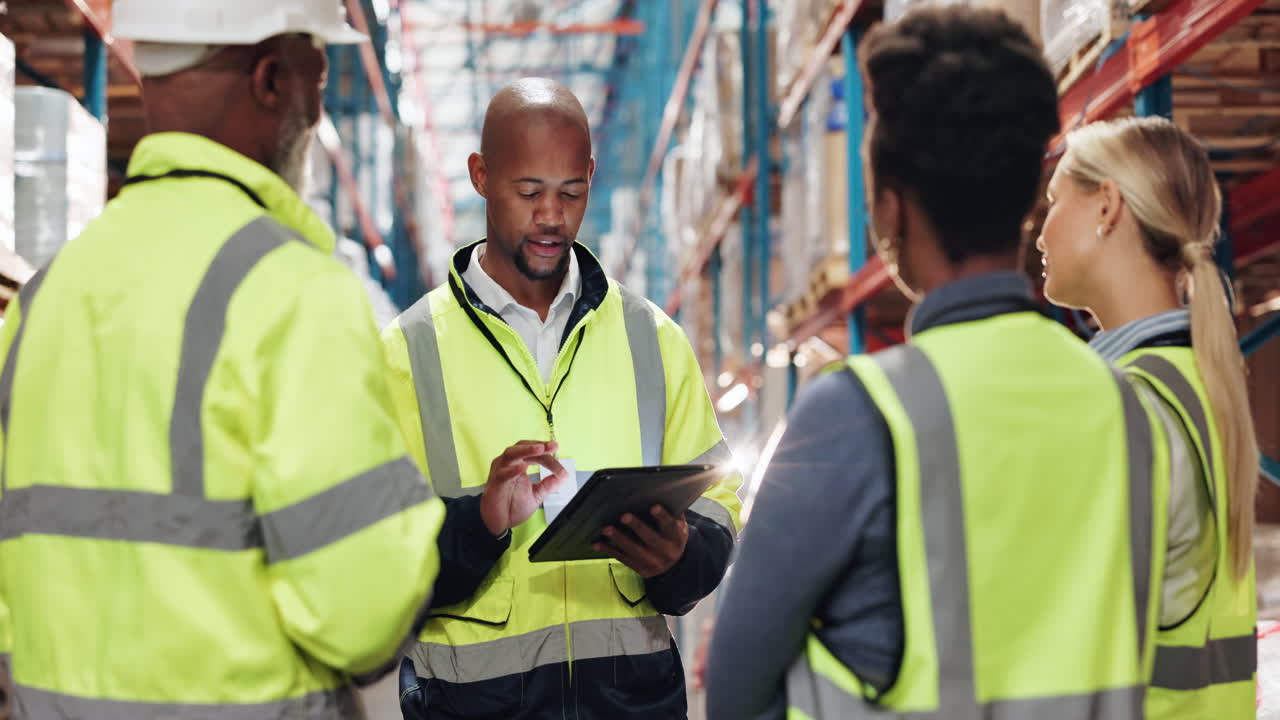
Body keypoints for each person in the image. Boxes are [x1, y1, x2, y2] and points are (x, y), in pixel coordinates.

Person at [706, 7, 1172, 718]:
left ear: (889, 211)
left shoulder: (856, 414)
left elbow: (736, 692)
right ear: (1025, 199)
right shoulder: (1124, 405)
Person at [0, 1, 446, 716]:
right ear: (272, 80)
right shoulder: (294, 293)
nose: (316, 104)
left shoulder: (40, 303)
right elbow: (364, 614)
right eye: (318, 77)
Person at [382, 78, 742, 719]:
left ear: (591, 178)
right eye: (529, 192)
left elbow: (717, 500)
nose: (552, 216)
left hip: (633, 706)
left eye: (571, 192)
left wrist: (680, 555)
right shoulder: (406, 354)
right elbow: (375, 556)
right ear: (481, 176)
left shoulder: (651, 339)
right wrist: (481, 522)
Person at [1038, 115, 1258, 718]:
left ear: (1106, 205)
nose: (1040, 232)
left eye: (1056, 200)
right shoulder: (1198, 383)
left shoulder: (1126, 406)